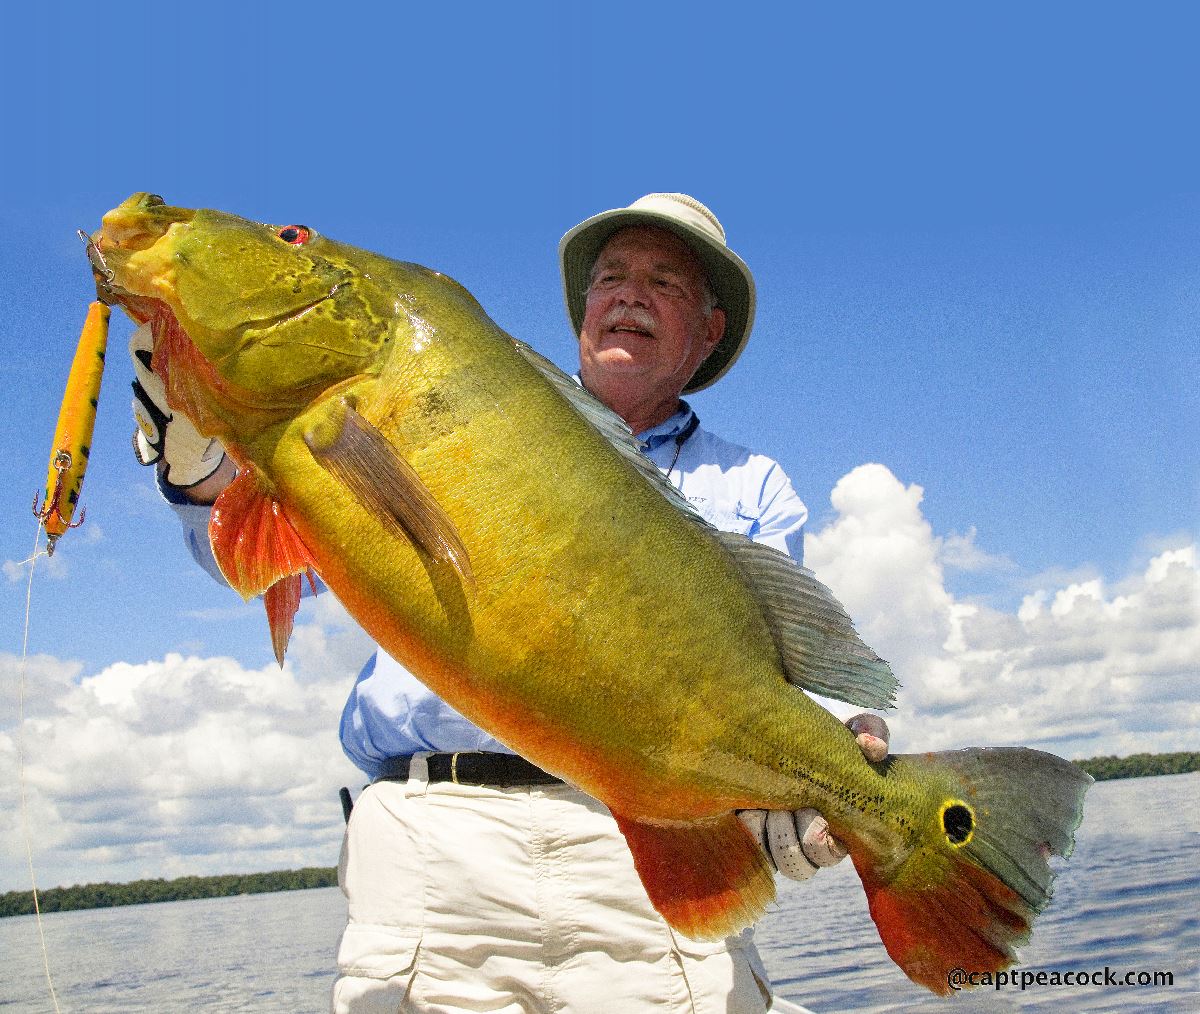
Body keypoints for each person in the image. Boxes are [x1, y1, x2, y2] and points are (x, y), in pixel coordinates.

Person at [133, 192, 889, 1012]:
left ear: (707, 331)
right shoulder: (445, 400)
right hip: (434, 849)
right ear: (583, 309)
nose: (630, 295)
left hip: (637, 857)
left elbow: (777, 682)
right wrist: (197, 469)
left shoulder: (752, 485)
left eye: (665, 282)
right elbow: (275, 561)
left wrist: (835, 774)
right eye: (611, 277)